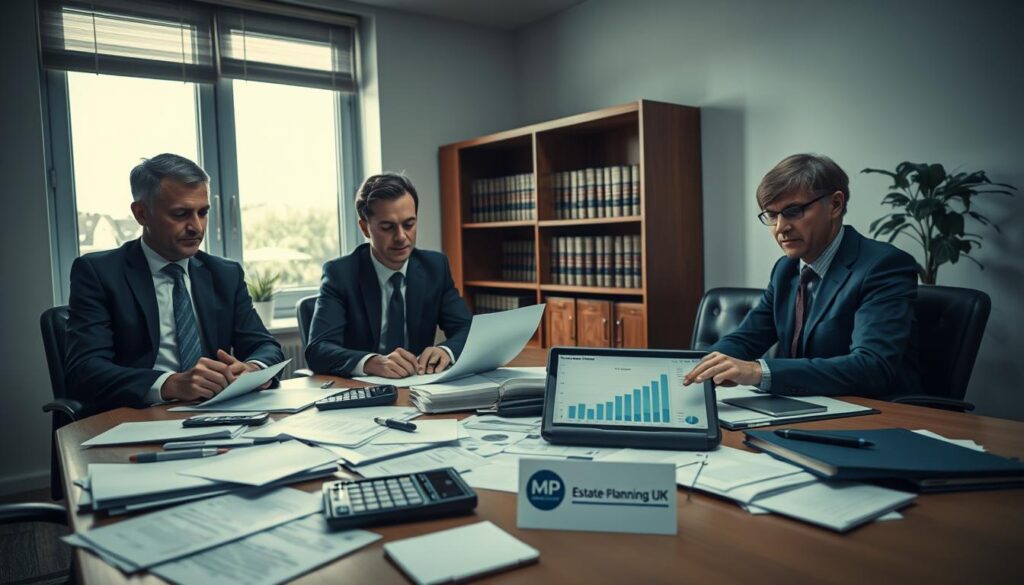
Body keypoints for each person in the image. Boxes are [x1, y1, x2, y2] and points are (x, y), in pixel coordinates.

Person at [684, 154, 921, 397]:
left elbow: (871, 367)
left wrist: (757, 371)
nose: (780, 228)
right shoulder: (785, 269)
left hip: (874, 413)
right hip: (800, 406)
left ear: (835, 205)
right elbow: (746, 338)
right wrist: (697, 368)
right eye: (772, 215)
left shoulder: (883, 265)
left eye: (793, 211)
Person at [66, 153, 284, 411]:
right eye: (181, 214)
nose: (197, 227)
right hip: (135, 418)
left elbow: (265, 346)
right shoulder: (99, 273)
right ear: (141, 214)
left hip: (218, 415)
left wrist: (252, 368)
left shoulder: (225, 274)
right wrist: (170, 384)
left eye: (202, 213)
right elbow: (85, 370)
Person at [306, 172, 472, 378]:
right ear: (365, 228)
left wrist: (446, 350)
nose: (401, 237)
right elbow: (318, 350)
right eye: (388, 227)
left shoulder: (434, 267)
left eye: (409, 224)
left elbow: (468, 330)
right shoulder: (341, 274)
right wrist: (371, 362)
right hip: (362, 393)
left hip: (418, 388)